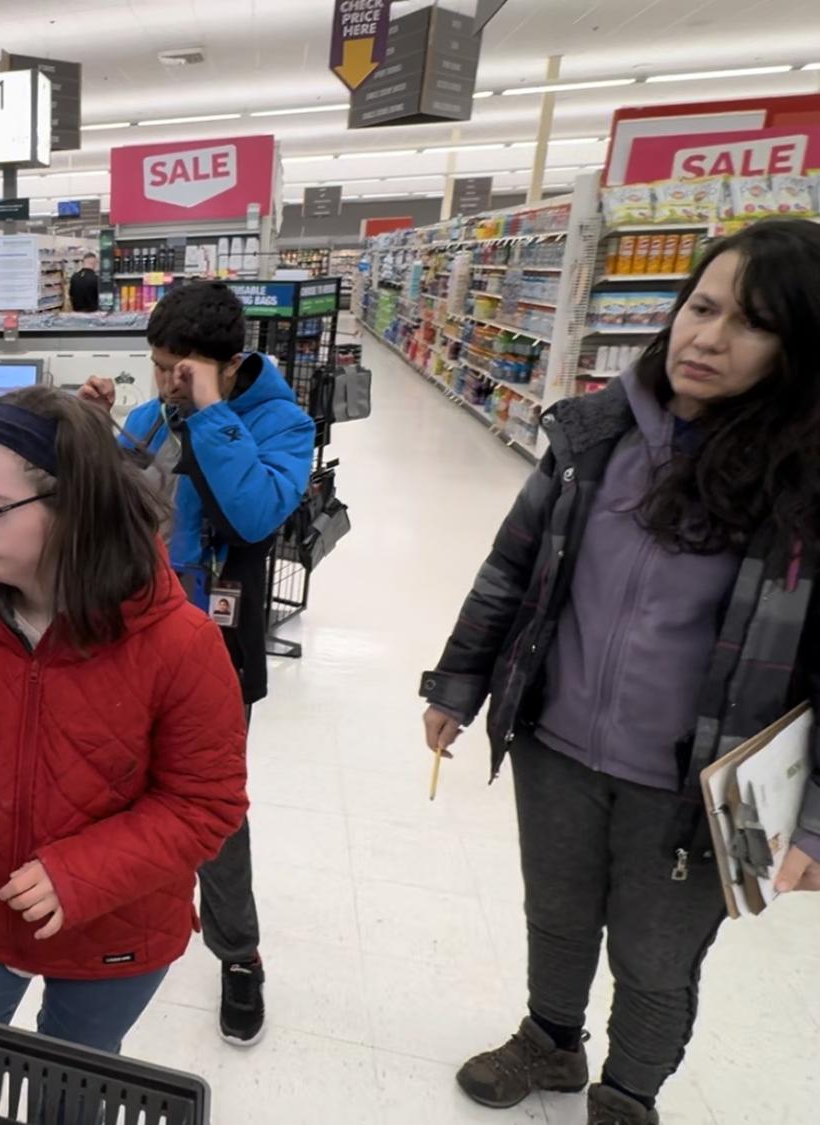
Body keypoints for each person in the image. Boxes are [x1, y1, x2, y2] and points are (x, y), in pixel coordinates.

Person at [420, 219, 820, 1125]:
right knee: (556, 914)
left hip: (696, 790)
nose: (707, 338)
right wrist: (457, 682)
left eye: (750, 324)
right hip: (556, 744)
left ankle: (627, 1094)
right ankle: (551, 1041)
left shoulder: (804, 490)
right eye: (701, 306)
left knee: (654, 958)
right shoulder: (594, 435)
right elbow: (509, 571)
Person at [0, 385, 248, 1054]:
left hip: (115, 927)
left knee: (72, 1087)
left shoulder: (180, 644)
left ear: (73, 508)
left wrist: (82, 874)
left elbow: (205, 802)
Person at [82, 280, 315, 1046]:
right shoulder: (152, 416)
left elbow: (253, 512)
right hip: (140, 633)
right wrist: (91, 433)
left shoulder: (285, 424)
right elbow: (113, 504)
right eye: (156, 368)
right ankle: (135, 912)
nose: (163, 386)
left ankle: (236, 952)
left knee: (212, 804)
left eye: (179, 372)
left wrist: (212, 412)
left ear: (226, 363)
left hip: (218, 644)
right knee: (122, 778)